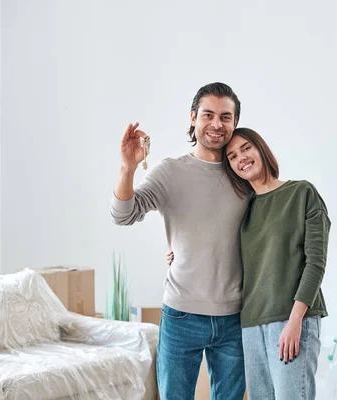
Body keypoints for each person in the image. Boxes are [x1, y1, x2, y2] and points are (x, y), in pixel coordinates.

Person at [168, 127, 330, 399]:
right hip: (250, 324)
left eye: (246, 148)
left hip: (292, 319)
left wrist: (295, 320)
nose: (241, 158)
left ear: (261, 149)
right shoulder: (244, 208)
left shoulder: (301, 193)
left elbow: (316, 262)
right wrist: (179, 253)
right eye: (232, 156)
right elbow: (220, 250)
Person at [110, 83, 248, 400]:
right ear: (192, 118)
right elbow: (124, 214)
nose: (217, 124)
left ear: (235, 123)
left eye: (226, 117)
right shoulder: (171, 172)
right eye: (208, 114)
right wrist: (128, 168)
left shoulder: (245, 171)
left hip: (236, 316)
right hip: (182, 314)